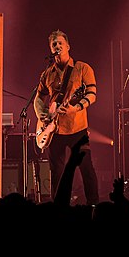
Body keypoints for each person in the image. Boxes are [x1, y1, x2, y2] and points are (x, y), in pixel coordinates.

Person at [33, 30, 99, 205]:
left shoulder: (83, 68)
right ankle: (59, 206)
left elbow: (92, 94)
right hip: (55, 130)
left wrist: (76, 107)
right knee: (57, 172)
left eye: (60, 43)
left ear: (68, 46)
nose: (57, 46)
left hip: (78, 128)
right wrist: (42, 115)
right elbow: (38, 97)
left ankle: (94, 206)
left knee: (86, 169)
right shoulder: (47, 73)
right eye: (54, 44)